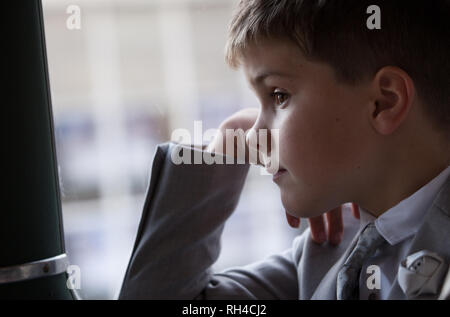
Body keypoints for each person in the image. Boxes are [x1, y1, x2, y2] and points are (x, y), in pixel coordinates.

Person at [119, 0, 450, 300]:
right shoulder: (327, 253)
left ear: (384, 102)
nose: (252, 139)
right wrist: (223, 147)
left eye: (279, 96)